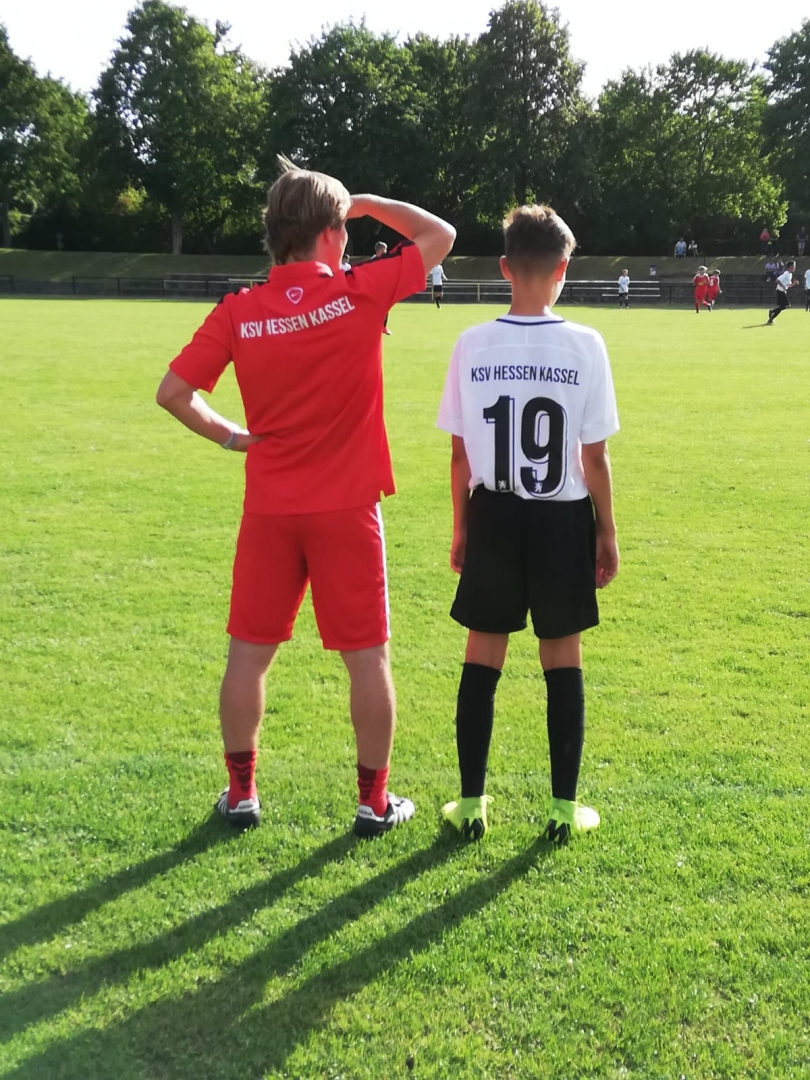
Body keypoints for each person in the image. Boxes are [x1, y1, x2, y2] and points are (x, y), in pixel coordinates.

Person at [156, 156, 455, 836]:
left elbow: (173, 393)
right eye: (345, 226)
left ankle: (241, 795)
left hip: (269, 508)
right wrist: (367, 199)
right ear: (332, 231)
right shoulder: (359, 292)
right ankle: (373, 803)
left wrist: (233, 438)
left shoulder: (239, 310)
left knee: (247, 655)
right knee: (366, 659)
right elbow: (440, 235)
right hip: (347, 508)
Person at [436, 204, 619, 846]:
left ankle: (470, 804)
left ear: (504, 267)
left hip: (494, 510)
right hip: (562, 516)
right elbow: (594, 457)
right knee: (561, 656)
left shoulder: (472, 343)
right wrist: (606, 531)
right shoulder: (586, 344)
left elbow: (459, 454)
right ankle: (564, 810)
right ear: (563, 269)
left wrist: (462, 527)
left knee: (482, 651)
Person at [371, 241, 393, 335]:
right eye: (385, 249)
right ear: (380, 250)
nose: (386, 251)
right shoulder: (372, 261)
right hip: (374, 288)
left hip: (384, 288)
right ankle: (373, 327)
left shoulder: (385, 260)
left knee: (386, 308)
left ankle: (383, 327)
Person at [766, 260, 797, 325]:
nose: (795, 267)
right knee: (787, 305)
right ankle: (772, 312)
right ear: (791, 267)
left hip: (782, 291)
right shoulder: (786, 273)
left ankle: (771, 318)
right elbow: (777, 280)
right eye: (794, 266)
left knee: (783, 306)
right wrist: (783, 286)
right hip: (780, 291)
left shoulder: (790, 274)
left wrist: (793, 284)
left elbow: (787, 286)